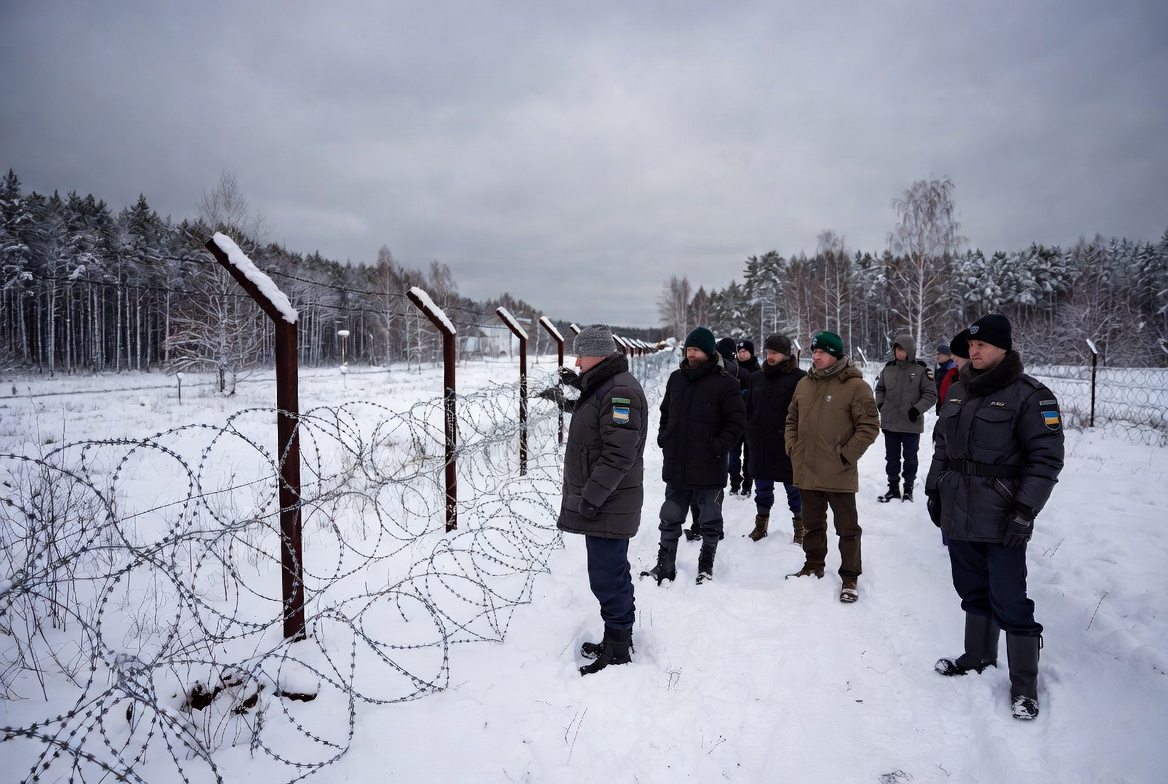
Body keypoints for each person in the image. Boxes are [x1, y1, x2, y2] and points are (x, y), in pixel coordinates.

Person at [925, 314, 1064, 720]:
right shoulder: (959, 390)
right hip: (958, 508)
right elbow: (942, 447)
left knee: (1010, 599)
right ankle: (977, 657)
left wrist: (1025, 510)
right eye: (971, 346)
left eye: (981, 345)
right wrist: (935, 490)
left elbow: (1046, 460)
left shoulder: (1030, 396)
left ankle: (1024, 686)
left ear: (1003, 348)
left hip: (1002, 514)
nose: (974, 351)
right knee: (970, 588)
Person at [554, 324, 649, 676]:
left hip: (608, 502)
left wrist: (591, 498)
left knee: (608, 576)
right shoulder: (610, 385)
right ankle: (617, 637)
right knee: (610, 573)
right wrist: (574, 392)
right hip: (608, 501)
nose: (577, 362)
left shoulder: (620, 392)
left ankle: (619, 649)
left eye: (581, 355)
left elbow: (618, 455)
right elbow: (598, 417)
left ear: (599, 354)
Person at [642, 327, 746, 585]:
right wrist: (665, 437)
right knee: (670, 516)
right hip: (677, 463)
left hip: (709, 464)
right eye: (689, 349)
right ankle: (665, 566)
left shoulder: (725, 383)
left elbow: (736, 423)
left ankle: (706, 565)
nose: (691, 354)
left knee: (710, 519)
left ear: (709, 352)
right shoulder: (676, 379)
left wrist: (717, 447)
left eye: (696, 350)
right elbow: (666, 413)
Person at [784, 331, 880, 602]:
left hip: (838, 471)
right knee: (812, 524)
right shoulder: (805, 384)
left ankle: (850, 577)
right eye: (814, 351)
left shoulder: (856, 386)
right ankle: (813, 565)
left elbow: (869, 426)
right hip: (807, 468)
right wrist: (792, 446)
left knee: (847, 529)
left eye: (822, 352)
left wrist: (845, 456)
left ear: (836, 355)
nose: (816, 356)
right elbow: (792, 418)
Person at [744, 334, 806, 543]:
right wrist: (751, 431)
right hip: (760, 443)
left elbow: (804, 414)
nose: (770, 356)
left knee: (794, 490)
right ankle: (761, 525)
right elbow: (749, 410)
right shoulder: (757, 378)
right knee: (762, 489)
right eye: (768, 352)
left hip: (787, 445)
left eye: (775, 353)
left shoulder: (800, 379)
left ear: (786, 354)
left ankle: (801, 527)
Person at [874, 335, 937, 503]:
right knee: (891, 458)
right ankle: (893, 487)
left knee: (910, 458)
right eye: (896, 349)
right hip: (890, 422)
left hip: (910, 423)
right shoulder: (888, 369)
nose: (899, 353)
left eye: (902, 349)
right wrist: (881, 404)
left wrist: (916, 410)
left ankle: (908, 487)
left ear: (909, 350)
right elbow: (880, 389)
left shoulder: (922, 370)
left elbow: (931, 394)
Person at [716, 336, 752, 497]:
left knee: (749, 455)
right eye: (740, 351)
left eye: (745, 351)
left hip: (749, 421)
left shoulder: (754, 372)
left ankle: (748, 483)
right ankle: (735, 482)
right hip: (733, 421)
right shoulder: (729, 369)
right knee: (734, 456)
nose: (742, 354)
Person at [933, 344, 957, 414]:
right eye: (936, 354)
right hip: (942, 403)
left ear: (948, 355)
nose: (937, 356)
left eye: (939, 354)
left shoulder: (954, 369)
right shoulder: (939, 368)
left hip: (952, 405)